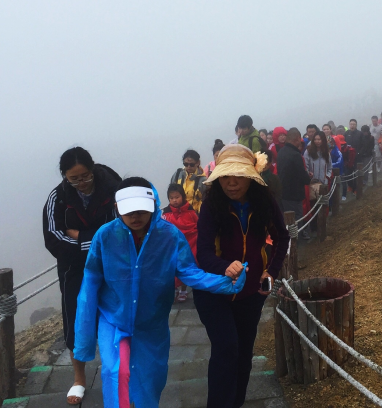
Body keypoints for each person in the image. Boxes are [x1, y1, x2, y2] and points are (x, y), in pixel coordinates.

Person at [74, 177, 245, 408]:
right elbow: (90, 284)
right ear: (117, 209)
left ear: (153, 205)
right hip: (113, 319)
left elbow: (189, 272)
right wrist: (83, 341)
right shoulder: (105, 236)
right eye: (129, 211)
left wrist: (225, 281)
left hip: (151, 324)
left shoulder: (169, 236)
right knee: (117, 374)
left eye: (142, 210)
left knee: (150, 380)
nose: (135, 217)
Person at [196, 146, 290, 408]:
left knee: (244, 354)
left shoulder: (264, 202)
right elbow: (203, 252)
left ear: (252, 176)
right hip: (214, 290)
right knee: (226, 348)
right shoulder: (211, 204)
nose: (232, 182)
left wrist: (270, 270)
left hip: (250, 293)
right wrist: (224, 266)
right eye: (225, 176)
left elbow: (282, 237)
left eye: (239, 175)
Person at [42, 147, 121, 405]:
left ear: (93, 168)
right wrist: (95, 239)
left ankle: (121, 371)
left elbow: (122, 226)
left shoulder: (113, 187)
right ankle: (79, 379)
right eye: (73, 179)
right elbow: (54, 238)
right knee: (75, 318)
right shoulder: (58, 197)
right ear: (64, 176)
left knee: (118, 315)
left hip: (113, 263)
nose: (81, 183)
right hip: (73, 269)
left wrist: (80, 236)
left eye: (85, 176)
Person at [162, 184, 199, 303]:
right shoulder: (166, 213)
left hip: (189, 244)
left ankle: (184, 290)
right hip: (173, 245)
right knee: (173, 266)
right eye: (171, 198)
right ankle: (175, 289)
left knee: (186, 266)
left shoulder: (190, 211)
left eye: (177, 197)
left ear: (182, 197)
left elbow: (197, 226)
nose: (174, 200)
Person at [276, 127, 311, 226]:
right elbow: (301, 175)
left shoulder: (281, 152)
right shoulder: (295, 155)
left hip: (283, 192)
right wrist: (308, 178)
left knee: (286, 220)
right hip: (294, 194)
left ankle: (289, 240)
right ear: (296, 139)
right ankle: (296, 241)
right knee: (296, 220)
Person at [357, 125, 376, 191]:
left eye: (365, 132)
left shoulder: (371, 137)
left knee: (365, 169)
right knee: (360, 168)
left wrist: (366, 152)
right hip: (361, 155)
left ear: (368, 131)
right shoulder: (360, 137)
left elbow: (371, 147)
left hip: (368, 155)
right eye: (363, 132)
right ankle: (360, 180)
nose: (364, 133)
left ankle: (365, 181)